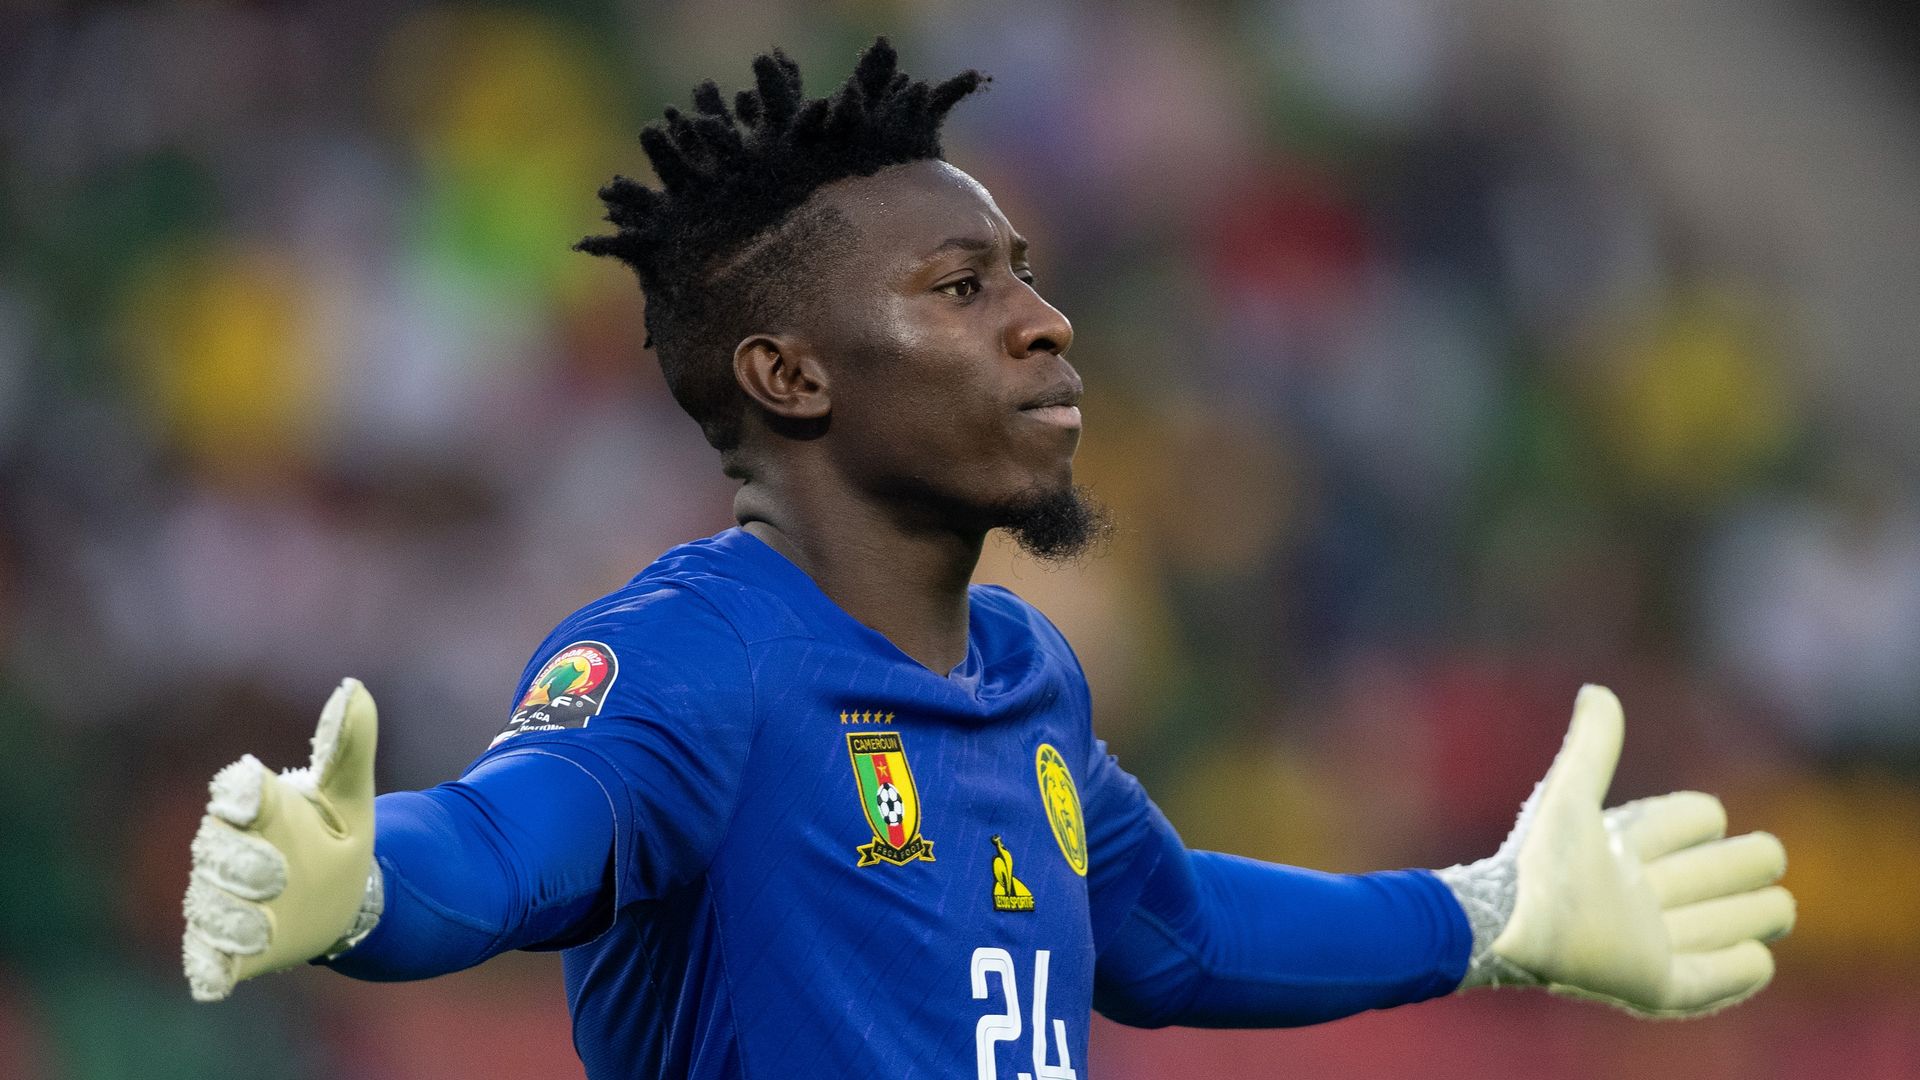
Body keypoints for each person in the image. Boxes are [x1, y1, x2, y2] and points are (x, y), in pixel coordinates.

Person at [180, 40, 1794, 1080]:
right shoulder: (700, 656)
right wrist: (363, 886)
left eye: (1023, 274)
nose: (1044, 319)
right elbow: (513, 837)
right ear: (790, 376)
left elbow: (1170, 934)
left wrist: (1489, 913)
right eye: (961, 288)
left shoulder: (1024, 675)